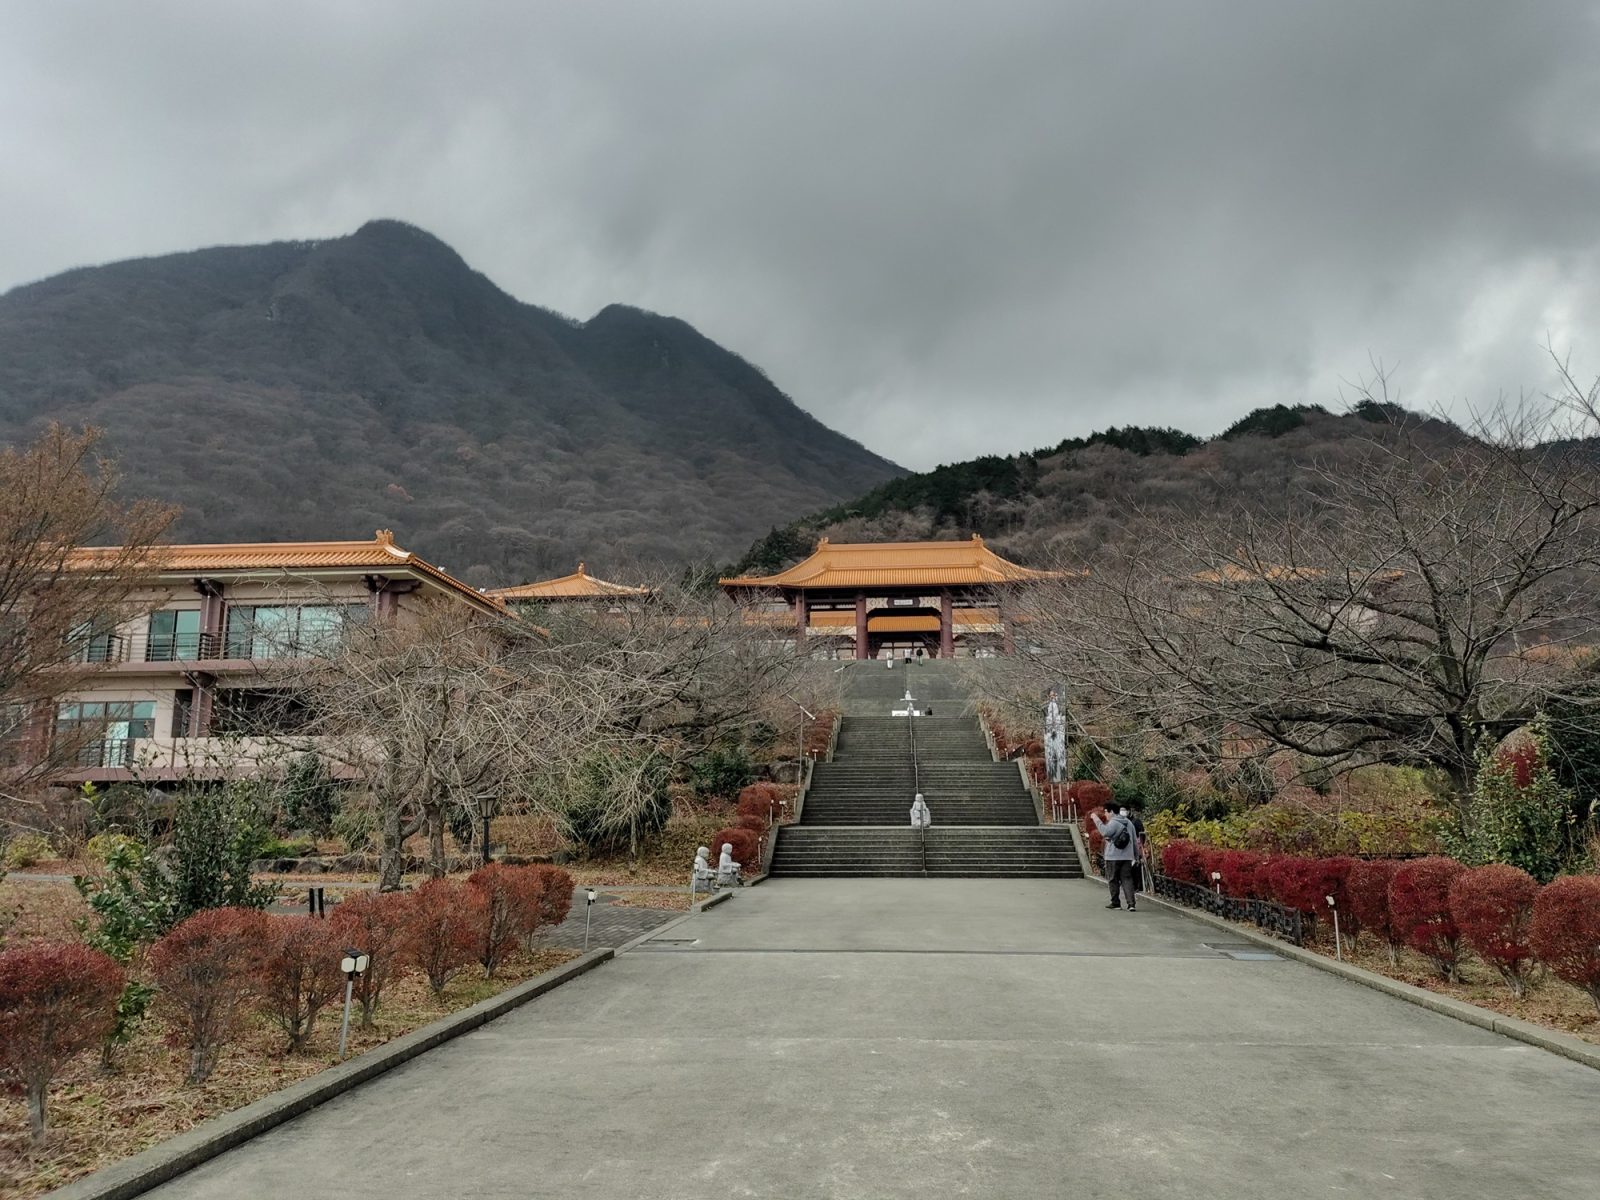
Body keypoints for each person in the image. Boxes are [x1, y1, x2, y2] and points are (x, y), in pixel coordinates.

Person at [1091, 804, 1138, 911]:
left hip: (1113, 856)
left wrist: (1096, 819)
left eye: (1106, 812)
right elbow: (1135, 841)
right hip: (1127, 856)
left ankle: (1116, 902)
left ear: (1111, 811)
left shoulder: (1114, 822)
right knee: (1127, 879)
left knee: (1113, 879)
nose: (1105, 814)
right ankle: (1131, 904)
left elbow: (1105, 832)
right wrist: (1135, 855)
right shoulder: (1129, 823)